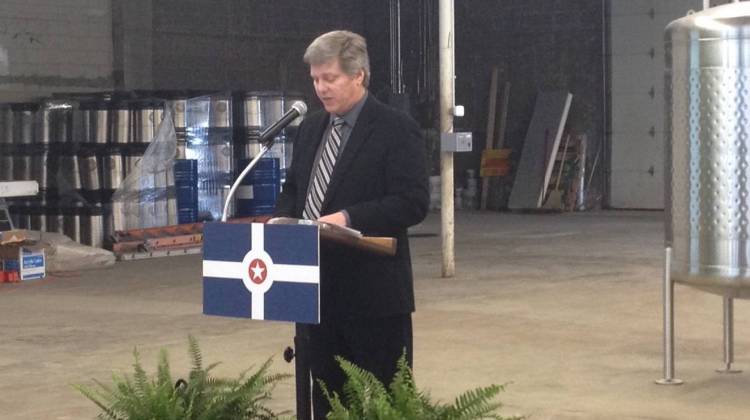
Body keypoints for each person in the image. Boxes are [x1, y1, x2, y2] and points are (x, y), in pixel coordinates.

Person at [273, 30, 429, 418]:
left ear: (358, 75)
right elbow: (295, 188)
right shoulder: (311, 128)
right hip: (316, 292)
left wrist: (348, 218)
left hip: (372, 296)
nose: (320, 88)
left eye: (330, 78)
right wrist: (280, 217)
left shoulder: (395, 128)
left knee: (380, 401)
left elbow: (412, 202)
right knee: (327, 400)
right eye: (314, 80)